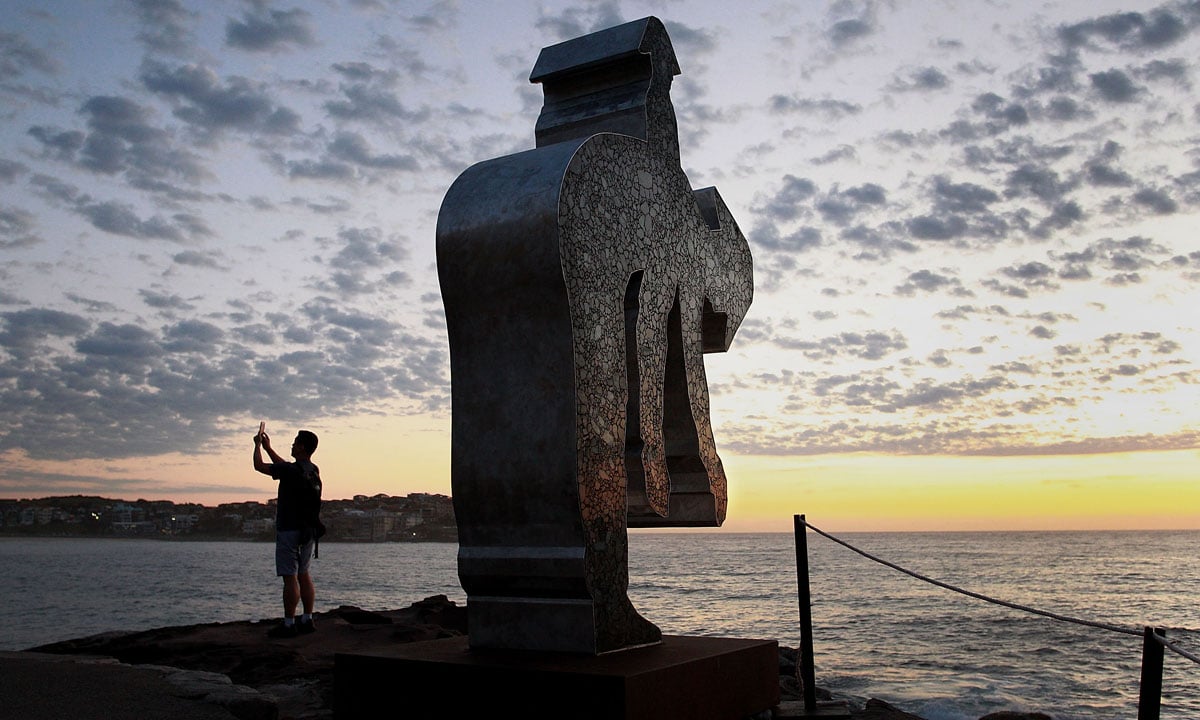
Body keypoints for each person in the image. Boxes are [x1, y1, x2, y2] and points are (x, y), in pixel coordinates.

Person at [254, 426, 322, 638]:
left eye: (294, 442)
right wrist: (269, 448)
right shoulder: (312, 470)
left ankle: (288, 623)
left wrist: (258, 446)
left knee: (290, 577)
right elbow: (285, 466)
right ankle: (307, 619)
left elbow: (259, 467)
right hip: (308, 531)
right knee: (304, 573)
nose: (292, 445)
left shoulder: (291, 471)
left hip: (289, 529)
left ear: (301, 447)